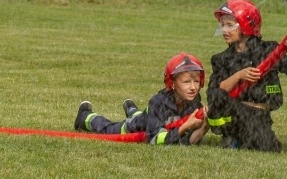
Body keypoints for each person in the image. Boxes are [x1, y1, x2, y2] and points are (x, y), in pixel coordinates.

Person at [206, 0, 287, 152]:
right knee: (218, 97)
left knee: (267, 147)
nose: (224, 30)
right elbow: (216, 90)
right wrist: (239, 75)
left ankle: (245, 136)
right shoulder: (222, 59)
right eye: (222, 25)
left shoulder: (268, 51)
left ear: (247, 25)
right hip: (235, 111)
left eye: (230, 25)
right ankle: (230, 134)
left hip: (258, 113)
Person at [74, 53, 209, 146]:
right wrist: (185, 126)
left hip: (148, 118)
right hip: (135, 127)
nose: (193, 87)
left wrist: (204, 126)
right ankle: (85, 115)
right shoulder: (158, 102)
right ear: (172, 83)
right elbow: (155, 139)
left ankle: (132, 108)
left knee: (142, 115)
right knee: (107, 128)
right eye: (186, 82)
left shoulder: (194, 101)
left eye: (196, 81)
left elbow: (186, 141)